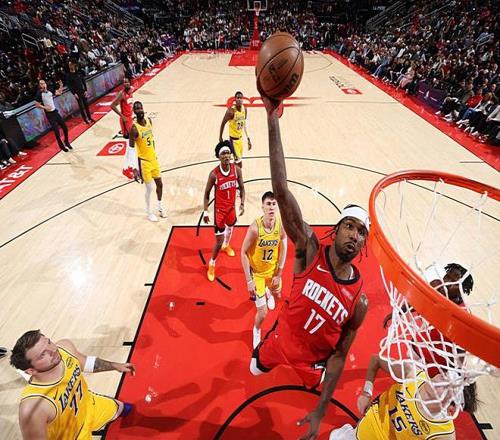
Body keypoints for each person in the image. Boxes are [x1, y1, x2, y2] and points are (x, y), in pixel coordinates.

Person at [251, 89, 370, 440]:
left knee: (311, 384)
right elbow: (281, 191)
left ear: (364, 243)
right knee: (254, 368)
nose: (354, 235)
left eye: (361, 232)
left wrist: (320, 410)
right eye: (350, 226)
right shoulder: (309, 248)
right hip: (279, 342)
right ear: (337, 228)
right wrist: (272, 118)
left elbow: (340, 356)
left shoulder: (359, 300)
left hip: (311, 366)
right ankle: (262, 349)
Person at [10, 330, 135, 439]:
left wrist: (115, 366)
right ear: (31, 370)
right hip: (74, 436)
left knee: (122, 408)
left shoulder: (64, 348)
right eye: (43, 354)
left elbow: (85, 362)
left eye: (49, 342)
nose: (53, 350)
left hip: (90, 405)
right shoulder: (32, 408)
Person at [329, 354, 478, 439]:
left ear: (451, 407)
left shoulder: (443, 433)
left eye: (445, 386)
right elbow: (376, 360)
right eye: (443, 375)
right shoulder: (413, 375)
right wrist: (366, 392)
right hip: (354, 435)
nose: (437, 381)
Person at [241, 191, 288, 348]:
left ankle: (269, 292)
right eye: (268, 204)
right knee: (263, 312)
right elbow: (243, 253)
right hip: (258, 275)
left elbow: (284, 241)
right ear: (262, 207)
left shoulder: (280, 225)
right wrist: (249, 281)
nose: (271, 207)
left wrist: (279, 272)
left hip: (273, 272)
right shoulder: (255, 228)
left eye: (274, 204)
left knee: (278, 294)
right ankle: (256, 330)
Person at [203, 140, 245, 281]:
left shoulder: (236, 170)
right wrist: (205, 211)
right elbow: (206, 193)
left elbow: (242, 188)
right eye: (223, 153)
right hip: (219, 212)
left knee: (231, 227)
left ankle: (227, 245)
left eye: (228, 153)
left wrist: (242, 203)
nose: (226, 155)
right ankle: (212, 263)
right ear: (219, 157)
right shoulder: (214, 174)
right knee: (218, 241)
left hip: (231, 208)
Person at [126, 101, 167, 222]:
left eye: (140, 108)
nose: (139, 110)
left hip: (153, 159)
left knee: (160, 184)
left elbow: (151, 140)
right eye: (136, 109)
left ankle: (159, 206)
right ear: (134, 112)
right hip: (144, 162)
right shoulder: (134, 129)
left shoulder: (149, 121)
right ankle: (149, 212)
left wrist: (154, 153)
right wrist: (134, 168)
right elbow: (131, 149)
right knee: (149, 189)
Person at [35, 79, 72, 152]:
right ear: (39, 85)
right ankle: (61, 146)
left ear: (45, 84)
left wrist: (61, 85)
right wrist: (45, 107)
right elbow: (37, 105)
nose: (43, 85)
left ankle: (66, 141)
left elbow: (59, 93)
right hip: (49, 114)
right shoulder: (39, 94)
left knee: (65, 127)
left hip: (55, 112)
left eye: (43, 83)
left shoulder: (50, 89)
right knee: (56, 131)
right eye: (41, 84)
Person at [219, 91, 252, 167]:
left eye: (241, 98)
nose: (239, 99)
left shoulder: (244, 109)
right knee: (239, 164)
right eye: (238, 98)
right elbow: (223, 123)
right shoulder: (231, 111)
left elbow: (244, 124)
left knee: (237, 162)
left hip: (240, 140)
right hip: (233, 141)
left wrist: (248, 138)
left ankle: (231, 172)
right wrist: (220, 137)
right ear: (235, 99)